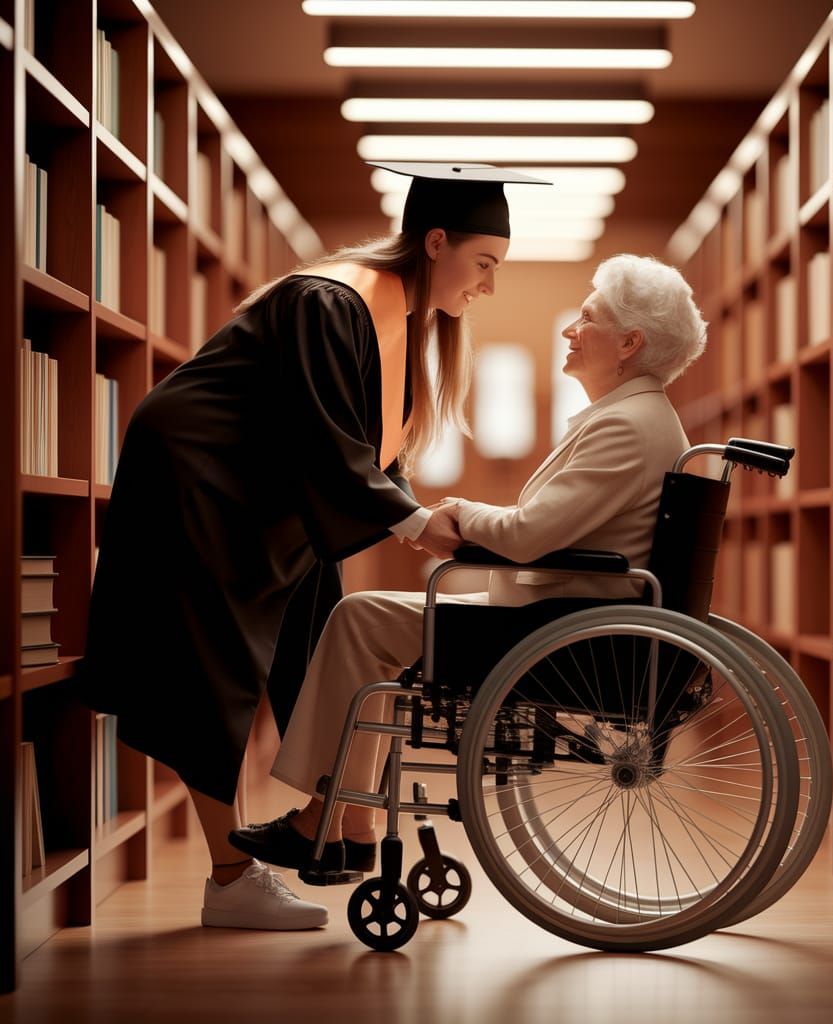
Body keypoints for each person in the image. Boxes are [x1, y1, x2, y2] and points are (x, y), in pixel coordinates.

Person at [79, 162, 548, 930]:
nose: (489, 286)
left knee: (323, 636)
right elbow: (325, 440)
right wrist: (414, 523)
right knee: (211, 671)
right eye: (485, 263)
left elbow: (369, 451)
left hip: (264, 497)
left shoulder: (394, 319)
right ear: (436, 242)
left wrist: (420, 517)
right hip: (201, 481)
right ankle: (232, 879)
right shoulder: (330, 300)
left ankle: (342, 818)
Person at [228, 254, 708, 881]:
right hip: (568, 614)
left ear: (629, 343)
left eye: (587, 318)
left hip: (557, 631)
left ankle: (332, 819)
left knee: (358, 619)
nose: (570, 330)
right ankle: (348, 822)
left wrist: (458, 512)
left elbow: (528, 535)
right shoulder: (641, 419)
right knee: (366, 619)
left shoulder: (627, 426)